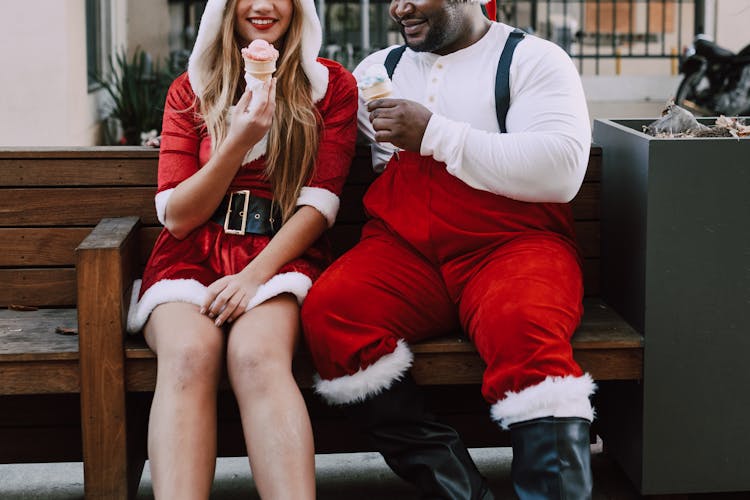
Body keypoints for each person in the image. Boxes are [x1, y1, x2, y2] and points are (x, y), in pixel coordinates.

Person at [301, 0, 593, 498]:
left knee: (524, 327)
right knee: (333, 312)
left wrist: (435, 134)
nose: (399, 6)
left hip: (513, 246)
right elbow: (366, 153)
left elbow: (561, 171)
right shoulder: (379, 70)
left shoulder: (533, 60)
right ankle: (457, 489)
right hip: (406, 249)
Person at [125, 0, 357, 497]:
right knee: (189, 353)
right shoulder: (190, 90)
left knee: (256, 356)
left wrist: (253, 276)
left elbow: (320, 205)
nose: (263, 4)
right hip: (191, 253)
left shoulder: (330, 86)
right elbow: (179, 215)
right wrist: (239, 138)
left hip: (281, 253)